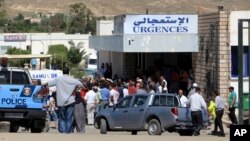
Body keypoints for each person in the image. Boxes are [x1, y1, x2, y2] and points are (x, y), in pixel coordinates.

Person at [45, 65, 83, 133]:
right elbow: (81, 85)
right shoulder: (73, 79)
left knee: (62, 118)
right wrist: (75, 89)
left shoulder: (58, 79)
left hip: (61, 101)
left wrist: (40, 85)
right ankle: (67, 131)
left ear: (62, 72)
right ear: (68, 72)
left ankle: (63, 131)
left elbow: (48, 84)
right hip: (70, 101)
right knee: (69, 117)